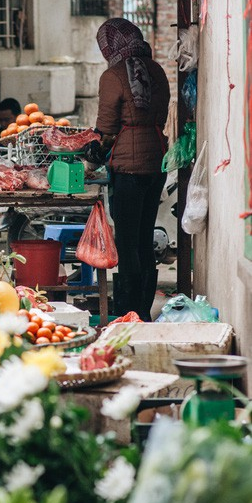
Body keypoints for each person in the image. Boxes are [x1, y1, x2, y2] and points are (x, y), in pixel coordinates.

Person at [94, 18, 170, 321]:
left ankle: (127, 311)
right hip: (157, 161)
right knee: (143, 236)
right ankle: (143, 308)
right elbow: (161, 116)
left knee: (126, 241)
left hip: (127, 166)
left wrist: (95, 148)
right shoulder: (156, 70)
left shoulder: (113, 75)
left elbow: (107, 126)